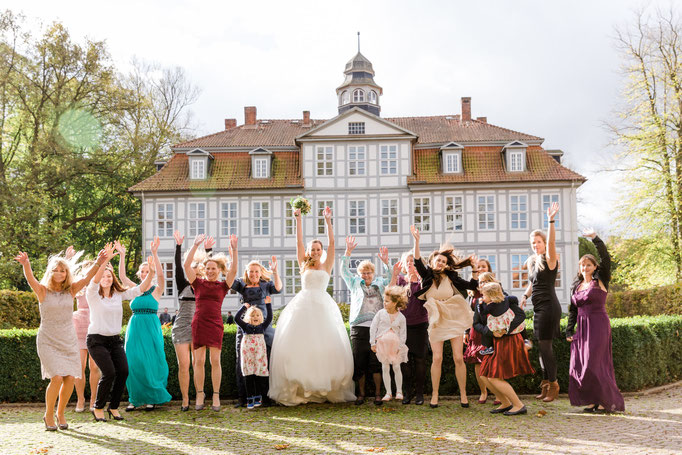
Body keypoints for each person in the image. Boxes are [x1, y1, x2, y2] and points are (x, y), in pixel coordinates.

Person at [268, 206, 355, 406]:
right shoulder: (303, 264)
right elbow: (298, 242)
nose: (315, 252)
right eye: (313, 249)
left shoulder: (327, 263)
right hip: (303, 306)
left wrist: (327, 220)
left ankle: (324, 387)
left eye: (318, 249)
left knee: (324, 345)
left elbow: (333, 243)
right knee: (301, 345)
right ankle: (301, 386)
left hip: (323, 306)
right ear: (308, 252)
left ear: (322, 251)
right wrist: (298, 220)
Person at [14, 247, 106, 430]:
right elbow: (30, 279)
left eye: (62, 270)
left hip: (68, 339)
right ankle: (48, 415)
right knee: (56, 377)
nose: (59, 273)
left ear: (66, 274)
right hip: (48, 339)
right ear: (50, 272)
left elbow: (87, 278)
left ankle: (60, 413)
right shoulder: (42, 291)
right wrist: (26, 264)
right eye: (55, 270)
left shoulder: (71, 290)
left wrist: (98, 262)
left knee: (70, 378)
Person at [410, 225, 479, 408]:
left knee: (458, 357)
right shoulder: (427, 276)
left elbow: (471, 285)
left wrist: (474, 268)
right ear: (432, 262)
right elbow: (417, 261)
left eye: (442, 261)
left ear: (446, 264)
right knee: (437, 358)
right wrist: (417, 241)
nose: (439, 263)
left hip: (453, 314)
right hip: (436, 316)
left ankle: (463, 395)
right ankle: (435, 395)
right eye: (437, 260)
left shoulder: (452, 276)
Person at [86, 244, 153, 422]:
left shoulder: (118, 294)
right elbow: (94, 280)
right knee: (109, 372)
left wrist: (152, 273)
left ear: (113, 278)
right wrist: (106, 261)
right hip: (96, 340)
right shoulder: (92, 293)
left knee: (123, 371)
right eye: (104, 276)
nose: (106, 278)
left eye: (110, 275)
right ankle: (98, 407)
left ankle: (113, 407)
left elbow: (140, 289)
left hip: (114, 341)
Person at [566, 229, 624, 413]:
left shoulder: (601, 280)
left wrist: (595, 239)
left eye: (589, 265)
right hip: (581, 328)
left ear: (595, 267)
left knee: (595, 362)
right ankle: (592, 400)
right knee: (581, 364)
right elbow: (573, 310)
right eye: (582, 265)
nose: (585, 268)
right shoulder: (576, 286)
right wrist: (569, 330)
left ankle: (604, 401)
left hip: (598, 325)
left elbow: (606, 258)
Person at [184, 233, 238, 411]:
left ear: (219, 270)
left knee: (215, 361)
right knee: (198, 361)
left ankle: (216, 395)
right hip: (199, 323)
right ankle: (200, 393)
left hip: (215, 324)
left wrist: (235, 251)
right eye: (208, 268)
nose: (210, 271)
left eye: (213, 268)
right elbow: (186, 265)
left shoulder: (223, 286)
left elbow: (234, 270)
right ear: (204, 270)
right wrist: (194, 245)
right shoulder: (197, 284)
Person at [117, 238, 172, 411]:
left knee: (151, 361)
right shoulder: (135, 289)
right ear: (139, 274)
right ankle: (135, 398)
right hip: (135, 327)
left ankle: (151, 397)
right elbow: (122, 277)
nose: (143, 273)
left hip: (151, 328)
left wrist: (155, 254)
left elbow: (162, 276)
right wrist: (122, 255)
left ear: (152, 273)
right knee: (133, 362)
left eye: (147, 271)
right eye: (142, 271)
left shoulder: (156, 290)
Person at [341, 236, 393, 405]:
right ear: (360, 274)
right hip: (358, 327)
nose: (366, 275)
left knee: (376, 362)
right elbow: (343, 271)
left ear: (373, 273)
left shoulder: (380, 283)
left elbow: (391, 278)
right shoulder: (355, 283)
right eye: (363, 272)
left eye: (369, 272)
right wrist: (347, 253)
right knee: (359, 362)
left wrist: (386, 263)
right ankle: (361, 394)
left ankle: (378, 393)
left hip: (377, 327)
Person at [522, 202, 561, 402]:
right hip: (538, 308)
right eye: (533, 242)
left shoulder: (549, 259)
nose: (535, 245)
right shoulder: (533, 262)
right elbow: (533, 284)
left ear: (544, 243)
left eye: (538, 242)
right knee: (540, 346)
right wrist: (525, 296)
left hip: (549, 307)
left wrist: (551, 221)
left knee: (546, 346)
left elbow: (553, 243)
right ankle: (545, 383)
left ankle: (554, 384)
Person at [476, 281, 534, 416]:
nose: (482, 296)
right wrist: (492, 332)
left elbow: (520, 317)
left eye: (484, 293)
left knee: (494, 377)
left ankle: (519, 405)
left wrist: (505, 330)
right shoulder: (483, 305)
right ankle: (505, 402)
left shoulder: (507, 302)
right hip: (495, 341)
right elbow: (476, 324)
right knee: (484, 374)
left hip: (507, 341)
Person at [231, 258, 282, 407]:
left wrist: (275, 271)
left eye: (256, 271)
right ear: (247, 272)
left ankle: (266, 397)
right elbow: (228, 282)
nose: (253, 274)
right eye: (251, 271)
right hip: (245, 328)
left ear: (260, 273)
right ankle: (244, 398)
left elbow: (278, 288)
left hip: (264, 326)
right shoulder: (241, 285)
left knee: (265, 360)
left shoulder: (266, 285)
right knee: (242, 361)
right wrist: (232, 257)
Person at [171, 231, 213, 411]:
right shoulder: (183, 284)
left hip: (199, 327)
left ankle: (199, 395)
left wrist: (209, 250)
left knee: (199, 364)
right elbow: (178, 267)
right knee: (183, 366)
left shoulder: (205, 286)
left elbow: (212, 266)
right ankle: (185, 399)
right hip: (181, 327)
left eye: (198, 273)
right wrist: (179, 246)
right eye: (192, 273)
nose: (194, 276)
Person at [70, 250, 102, 413]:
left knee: (94, 367)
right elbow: (66, 280)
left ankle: (93, 400)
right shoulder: (78, 285)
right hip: (79, 325)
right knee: (79, 367)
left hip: (95, 324)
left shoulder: (97, 286)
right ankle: (80, 399)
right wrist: (69, 259)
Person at [463, 258, 495, 404]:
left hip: (491, 328)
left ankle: (498, 393)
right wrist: (466, 331)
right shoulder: (472, 291)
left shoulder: (496, 288)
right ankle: (483, 392)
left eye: (483, 266)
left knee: (493, 360)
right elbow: (468, 312)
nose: (481, 269)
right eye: (478, 267)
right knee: (477, 362)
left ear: (489, 269)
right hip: (476, 331)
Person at [370, 285, 408, 401]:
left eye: (387, 301)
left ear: (395, 302)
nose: (384, 303)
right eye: (384, 301)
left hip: (395, 347)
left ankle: (399, 391)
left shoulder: (401, 317)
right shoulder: (381, 313)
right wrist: (372, 343)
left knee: (396, 367)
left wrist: (400, 347)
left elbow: (403, 334)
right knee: (385, 367)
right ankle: (388, 393)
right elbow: (373, 327)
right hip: (383, 346)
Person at [234, 302, 273, 409]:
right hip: (248, 356)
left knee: (261, 375)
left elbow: (269, 317)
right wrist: (244, 307)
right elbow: (237, 318)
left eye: (257, 315)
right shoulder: (245, 327)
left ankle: (262, 398)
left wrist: (268, 304)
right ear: (248, 318)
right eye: (252, 315)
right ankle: (250, 399)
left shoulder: (262, 327)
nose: (255, 317)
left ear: (261, 317)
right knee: (249, 375)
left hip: (259, 356)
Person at [478, 280, 525, 355]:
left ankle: (490, 347)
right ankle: (525, 339)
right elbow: (515, 298)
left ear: (491, 296)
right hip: (510, 327)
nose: (482, 297)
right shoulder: (506, 299)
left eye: (484, 295)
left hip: (500, 331)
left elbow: (482, 313)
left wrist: (480, 305)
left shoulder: (490, 306)